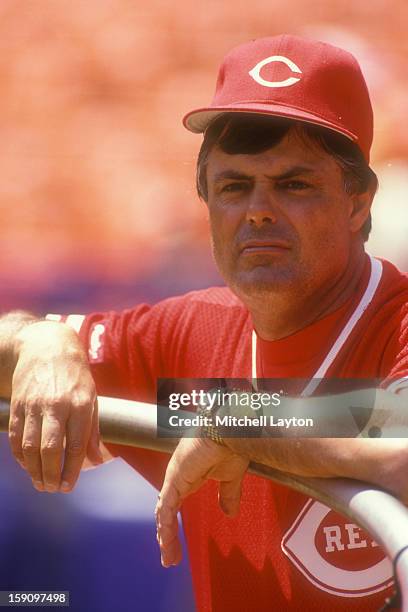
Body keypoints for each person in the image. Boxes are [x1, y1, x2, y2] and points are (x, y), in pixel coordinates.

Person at [1, 34, 408, 611]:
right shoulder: (188, 331)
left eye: (295, 184)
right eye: (233, 187)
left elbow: (402, 430)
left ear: (358, 202)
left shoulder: (399, 319)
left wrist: (231, 421)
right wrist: (44, 342)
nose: (258, 209)